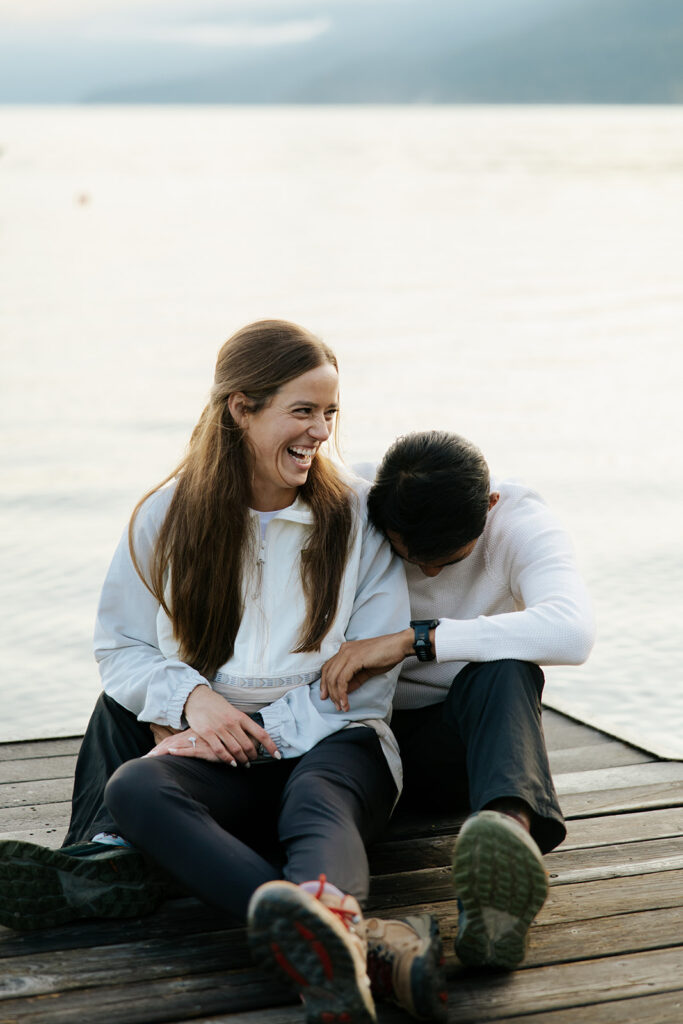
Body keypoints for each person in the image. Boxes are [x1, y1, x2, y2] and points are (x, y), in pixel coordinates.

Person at [0, 324, 447, 1024]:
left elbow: (365, 680)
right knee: (137, 784)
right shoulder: (165, 515)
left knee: (316, 801)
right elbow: (119, 646)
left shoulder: (357, 516)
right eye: (302, 411)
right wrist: (194, 701)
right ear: (242, 408)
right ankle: (348, 944)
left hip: (339, 741)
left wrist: (259, 731)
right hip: (224, 755)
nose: (321, 431)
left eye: (329, 412)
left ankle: (308, 931)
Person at [321, 430, 596, 972]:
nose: (426, 571)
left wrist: (416, 639)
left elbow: (573, 631)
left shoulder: (518, 521)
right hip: (353, 741)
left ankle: (503, 856)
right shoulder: (354, 500)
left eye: (445, 560)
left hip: (450, 754)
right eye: (408, 554)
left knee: (508, 669)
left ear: (489, 506)